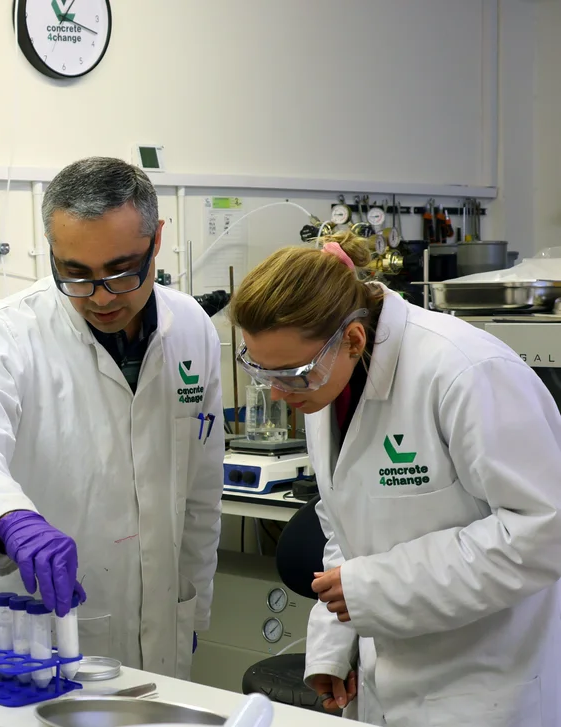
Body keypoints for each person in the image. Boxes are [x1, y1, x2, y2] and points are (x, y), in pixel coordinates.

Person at [228, 231, 561, 726]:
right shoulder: (327, 382)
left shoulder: (464, 371)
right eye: (261, 371)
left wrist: (371, 590)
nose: (278, 393)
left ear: (354, 340)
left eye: (292, 374)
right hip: (384, 677)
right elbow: (344, 526)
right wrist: (332, 647)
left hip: (482, 685)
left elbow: (543, 532)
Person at [0, 157, 224, 678]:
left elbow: (200, 492)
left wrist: (193, 609)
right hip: (38, 637)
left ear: (157, 242)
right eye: (76, 275)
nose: (101, 297)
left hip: (162, 628)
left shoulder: (192, 328)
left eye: (121, 272)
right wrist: (10, 518)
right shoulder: (11, 333)